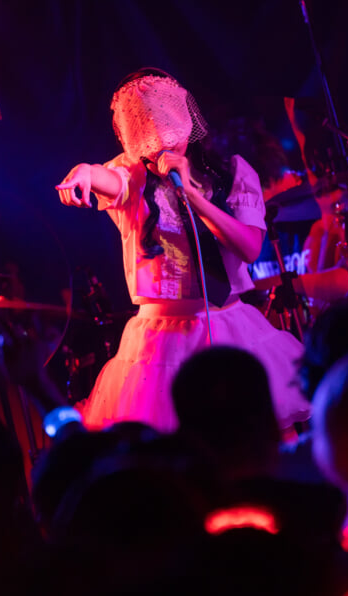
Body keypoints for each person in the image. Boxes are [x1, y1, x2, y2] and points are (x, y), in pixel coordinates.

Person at [55, 68, 310, 432]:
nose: (163, 142)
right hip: (161, 339)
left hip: (230, 323)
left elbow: (251, 248)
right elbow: (103, 177)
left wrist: (192, 195)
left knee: (259, 432)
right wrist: (83, 171)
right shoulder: (132, 177)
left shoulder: (232, 172)